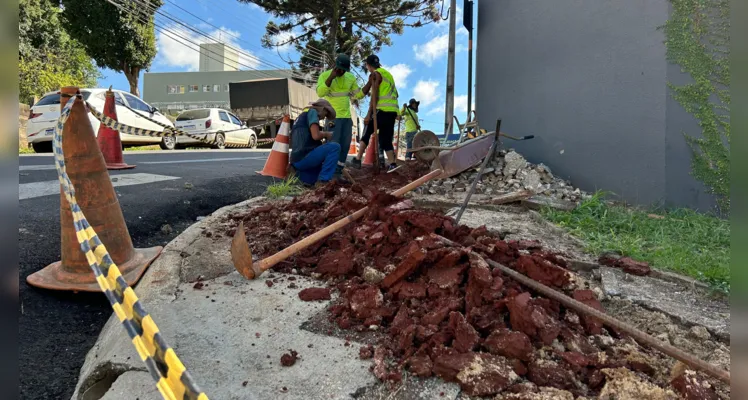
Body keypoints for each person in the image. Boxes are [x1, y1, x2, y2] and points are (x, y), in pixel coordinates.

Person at [316, 54, 364, 178]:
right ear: (335, 66)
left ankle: (338, 172)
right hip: (333, 117)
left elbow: (357, 95)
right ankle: (328, 174)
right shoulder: (325, 76)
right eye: (339, 69)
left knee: (345, 146)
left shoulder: (350, 77)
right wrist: (331, 77)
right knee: (333, 145)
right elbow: (320, 92)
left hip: (346, 118)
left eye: (344, 70)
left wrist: (368, 84)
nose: (341, 72)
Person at [349, 54, 400, 171]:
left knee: (366, 132)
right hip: (391, 113)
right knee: (386, 139)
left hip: (381, 110)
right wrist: (356, 96)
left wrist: (368, 114)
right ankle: (392, 164)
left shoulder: (376, 74)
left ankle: (357, 159)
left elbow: (374, 96)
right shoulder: (388, 75)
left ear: (368, 65)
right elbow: (395, 94)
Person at [287, 99, 340, 187]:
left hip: (296, 160)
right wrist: (326, 134)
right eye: (325, 114)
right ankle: (323, 181)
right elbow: (315, 135)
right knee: (335, 147)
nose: (324, 118)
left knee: (311, 180)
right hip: (305, 156)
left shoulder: (301, 117)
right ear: (323, 109)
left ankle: (297, 173)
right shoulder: (313, 112)